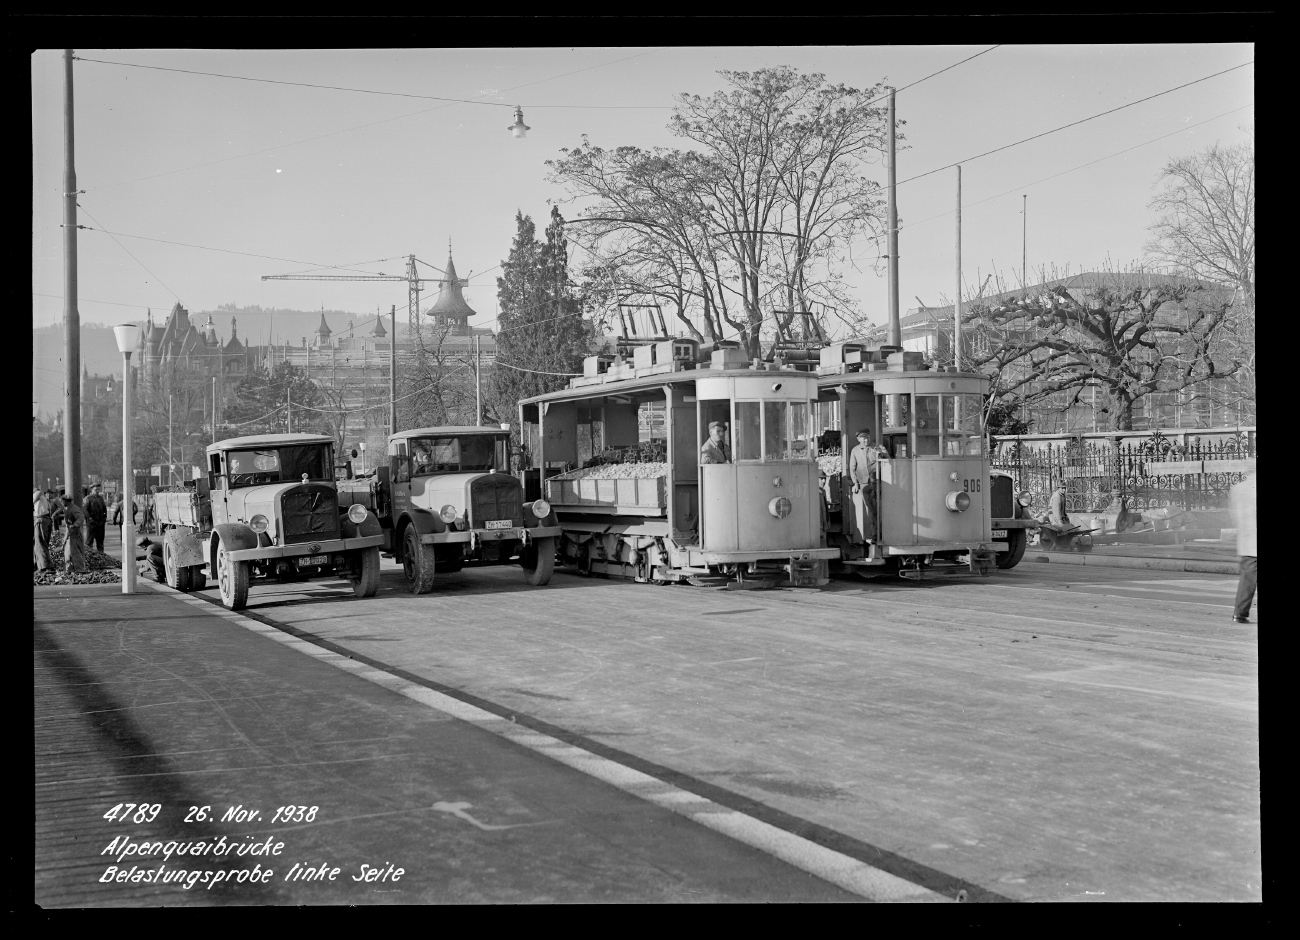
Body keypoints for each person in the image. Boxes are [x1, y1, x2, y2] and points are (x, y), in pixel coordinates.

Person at [1229, 469, 1257, 624]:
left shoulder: (1237, 488)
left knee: (1247, 580)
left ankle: (1239, 613)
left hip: (1246, 542)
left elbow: (1234, 516)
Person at [848, 429, 884, 541]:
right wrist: (855, 483)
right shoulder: (855, 450)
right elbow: (852, 468)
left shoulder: (877, 447)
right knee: (870, 511)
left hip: (878, 482)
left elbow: (888, 460)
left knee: (880, 509)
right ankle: (875, 535)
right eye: (863, 438)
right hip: (864, 484)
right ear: (858, 439)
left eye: (867, 437)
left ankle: (881, 534)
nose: (866, 440)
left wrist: (881, 455)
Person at [61, 495, 88, 573]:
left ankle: (79, 569)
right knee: (68, 552)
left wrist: (75, 525)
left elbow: (81, 517)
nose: (62, 502)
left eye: (63, 501)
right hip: (70, 533)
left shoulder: (74, 508)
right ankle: (70, 569)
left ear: (66, 501)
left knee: (74, 551)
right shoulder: (68, 508)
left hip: (74, 534)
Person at [34, 488, 55, 572]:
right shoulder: (45, 500)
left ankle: (45, 567)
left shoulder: (38, 493)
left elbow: (39, 492)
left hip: (41, 520)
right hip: (45, 520)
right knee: (42, 544)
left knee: (40, 543)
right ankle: (42, 565)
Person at [85, 483, 108, 553]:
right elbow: (85, 511)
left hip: (100, 524)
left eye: (98, 490)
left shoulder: (100, 498)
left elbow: (104, 509)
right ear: (91, 490)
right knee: (89, 541)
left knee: (100, 541)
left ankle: (101, 555)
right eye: (95, 490)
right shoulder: (87, 499)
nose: (97, 491)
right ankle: (89, 555)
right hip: (91, 524)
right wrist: (90, 519)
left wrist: (104, 518)